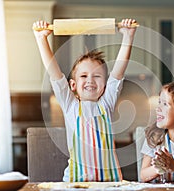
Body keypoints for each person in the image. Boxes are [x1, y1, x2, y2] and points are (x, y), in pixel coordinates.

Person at [32, 18, 137, 182]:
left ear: (105, 85)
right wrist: (41, 39)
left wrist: (128, 36)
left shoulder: (106, 104)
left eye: (97, 76)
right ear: (73, 85)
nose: (90, 80)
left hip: (109, 183)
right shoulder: (70, 105)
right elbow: (55, 74)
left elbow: (118, 72)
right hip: (75, 181)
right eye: (83, 76)